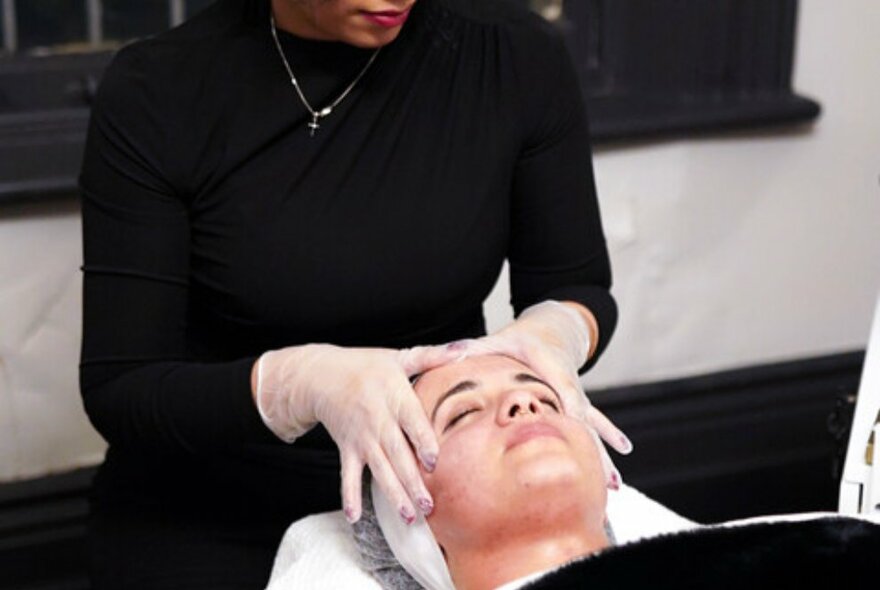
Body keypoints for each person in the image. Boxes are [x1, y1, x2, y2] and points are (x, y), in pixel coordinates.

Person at [77, 0, 628, 587]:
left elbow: (576, 285)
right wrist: (296, 384)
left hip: (436, 509)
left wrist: (554, 332)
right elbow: (122, 387)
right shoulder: (160, 90)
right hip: (214, 511)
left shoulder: (511, 56)